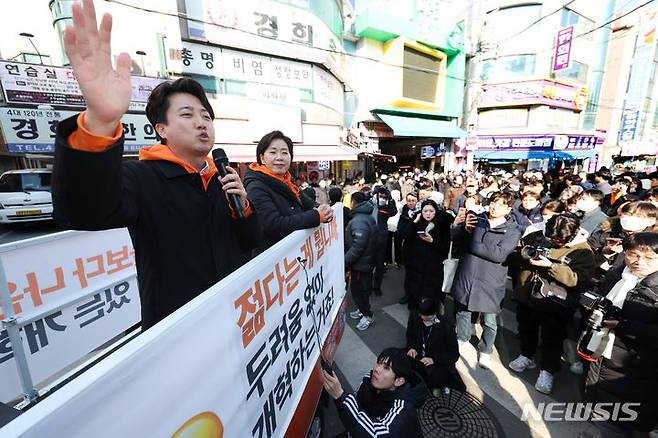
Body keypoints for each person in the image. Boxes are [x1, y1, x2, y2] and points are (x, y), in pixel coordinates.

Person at [51, 1, 261, 330]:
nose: (202, 123)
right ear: (161, 130)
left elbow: (249, 241)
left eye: (206, 116)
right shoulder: (142, 177)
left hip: (236, 317)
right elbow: (80, 210)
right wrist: (99, 124)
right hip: (177, 334)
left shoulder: (220, 178)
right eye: (188, 115)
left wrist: (243, 209)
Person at [582, 232, 658, 437]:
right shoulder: (619, 276)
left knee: (622, 421)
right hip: (602, 353)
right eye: (633, 254)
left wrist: (624, 325)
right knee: (600, 410)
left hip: (636, 369)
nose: (639, 262)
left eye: (649, 258)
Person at [509, 215, 595, 394]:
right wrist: (523, 254)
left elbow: (577, 280)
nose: (552, 242)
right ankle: (526, 355)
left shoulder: (583, 251)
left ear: (573, 234)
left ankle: (548, 370)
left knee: (552, 339)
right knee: (526, 329)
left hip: (555, 303)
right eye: (550, 238)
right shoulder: (538, 236)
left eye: (557, 240)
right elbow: (515, 254)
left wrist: (551, 266)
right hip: (528, 296)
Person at [450, 191, 522, 369]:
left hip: (491, 280)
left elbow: (498, 254)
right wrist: (461, 228)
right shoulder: (477, 219)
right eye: (492, 202)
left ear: (508, 208)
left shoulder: (513, 230)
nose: (494, 206)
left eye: (500, 204)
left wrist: (472, 244)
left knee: (489, 320)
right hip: (468, 273)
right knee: (463, 311)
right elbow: (456, 240)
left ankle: (486, 350)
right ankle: (462, 337)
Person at [244, 130, 333, 253]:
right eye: (273, 152)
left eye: (284, 152)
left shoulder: (287, 180)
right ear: (262, 158)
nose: (279, 157)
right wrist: (316, 215)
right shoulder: (256, 186)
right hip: (275, 261)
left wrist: (323, 209)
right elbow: (274, 225)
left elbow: (307, 203)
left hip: (297, 253)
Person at [321, 348, 424, 438]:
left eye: (386, 368)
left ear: (398, 381)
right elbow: (357, 407)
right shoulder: (368, 380)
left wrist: (340, 396)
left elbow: (377, 434)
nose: (377, 369)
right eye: (379, 362)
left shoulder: (403, 408)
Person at [398, 199, 452, 310]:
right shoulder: (417, 222)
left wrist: (432, 241)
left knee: (430, 294)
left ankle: (430, 312)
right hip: (416, 264)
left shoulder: (442, 225)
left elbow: (445, 247)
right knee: (415, 291)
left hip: (434, 267)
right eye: (425, 211)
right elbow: (405, 235)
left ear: (436, 211)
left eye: (431, 211)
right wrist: (414, 221)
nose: (428, 214)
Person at [406, 298, 465, 393]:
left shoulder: (446, 326)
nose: (422, 318)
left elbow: (454, 355)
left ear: (433, 313)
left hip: (436, 362)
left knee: (434, 379)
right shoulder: (415, 316)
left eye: (425, 315)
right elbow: (410, 335)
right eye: (420, 314)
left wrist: (433, 360)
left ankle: (439, 385)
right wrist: (411, 347)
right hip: (418, 357)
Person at [345, 192, 377, 331]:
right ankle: (362, 309)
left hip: (361, 263)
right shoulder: (365, 216)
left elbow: (358, 245)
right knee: (361, 289)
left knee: (358, 290)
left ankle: (367, 314)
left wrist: (345, 261)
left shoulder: (359, 220)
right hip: (365, 261)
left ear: (353, 202)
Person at [371, 186, 398, 296]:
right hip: (369, 238)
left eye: (384, 197)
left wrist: (390, 198)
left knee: (379, 265)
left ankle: (377, 287)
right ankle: (367, 286)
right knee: (368, 264)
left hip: (381, 239)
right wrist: (372, 193)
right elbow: (360, 203)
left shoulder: (386, 208)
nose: (381, 198)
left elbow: (394, 212)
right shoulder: (369, 205)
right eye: (380, 196)